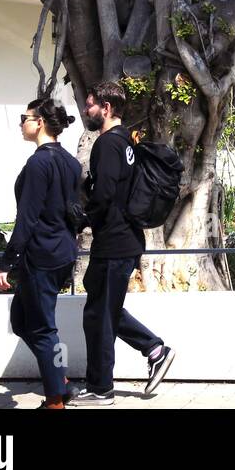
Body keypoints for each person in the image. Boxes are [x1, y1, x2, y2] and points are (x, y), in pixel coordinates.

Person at [68, 81, 176, 406]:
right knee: (101, 310)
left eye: (90, 105)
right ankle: (154, 350)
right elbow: (113, 188)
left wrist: (83, 219)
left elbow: (105, 194)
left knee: (100, 313)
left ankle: (102, 389)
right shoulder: (127, 140)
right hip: (123, 239)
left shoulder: (107, 144)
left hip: (115, 241)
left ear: (107, 108)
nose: (86, 110)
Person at [0, 99, 82, 410]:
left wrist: (6, 263)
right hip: (61, 252)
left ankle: (55, 400)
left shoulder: (38, 164)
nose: (21, 123)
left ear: (40, 122)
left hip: (42, 256)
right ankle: (60, 380)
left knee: (43, 329)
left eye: (25, 118)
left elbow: (27, 218)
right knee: (21, 320)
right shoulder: (70, 162)